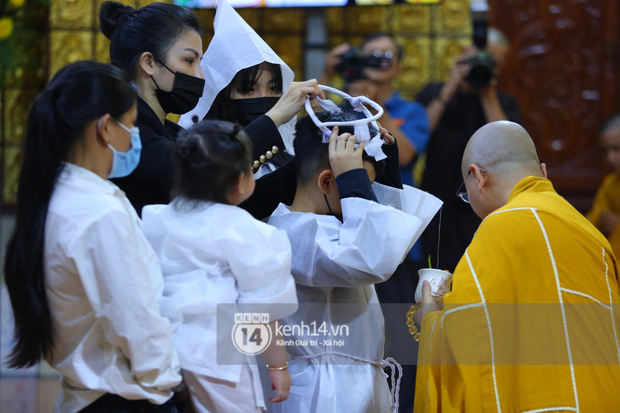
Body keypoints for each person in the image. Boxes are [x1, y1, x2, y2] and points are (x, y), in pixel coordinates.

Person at [3, 61, 183, 412]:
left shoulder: (59, 196)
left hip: (88, 395)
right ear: (105, 128)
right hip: (123, 398)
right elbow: (136, 322)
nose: (134, 138)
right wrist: (169, 385)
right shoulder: (98, 213)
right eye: (131, 125)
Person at [413, 121, 620, 412]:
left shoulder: (500, 227)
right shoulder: (591, 233)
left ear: (478, 177)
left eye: (466, 192)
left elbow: (467, 339)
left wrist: (430, 318)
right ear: (543, 173)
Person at [99, 0, 322, 217]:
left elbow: (236, 204)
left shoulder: (172, 132)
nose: (200, 76)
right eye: (189, 60)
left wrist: (312, 155)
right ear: (149, 63)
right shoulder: (123, 129)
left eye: (200, 62)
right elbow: (189, 170)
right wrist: (275, 116)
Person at [268, 110, 427, 413]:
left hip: (351, 382)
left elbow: (388, 246)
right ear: (328, 181)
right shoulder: (295, 232)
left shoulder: (334, 227)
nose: (363, 200)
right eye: (360, 189)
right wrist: (354, 179)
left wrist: (387, 176)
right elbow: (372, 258)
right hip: (322, 392)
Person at [141, 120, 298, 413]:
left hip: (159, 344)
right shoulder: (245, 231)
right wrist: (277, 365)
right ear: (241, 181)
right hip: (215, 348)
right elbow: (262, 311)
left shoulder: (157, 218)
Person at [322, 33, 431, 411]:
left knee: (401, 337)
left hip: (397, 239)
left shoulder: (410, 110)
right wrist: (330, 81)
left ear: (399, 66)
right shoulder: (338, 102)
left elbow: (406, 153)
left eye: (385, 57)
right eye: (368, 56)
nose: (376, 63)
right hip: (341, 230)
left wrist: (373, 106)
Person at [179, 0, 321, 219]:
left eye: (274, 88)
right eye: (248, 90)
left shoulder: (286, 152)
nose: (264, 98)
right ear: (222, 98)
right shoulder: (198, 153)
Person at [417, 27, 521, 273]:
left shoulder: (505, 102)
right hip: (438, 204)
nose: (485, 65)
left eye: (492, 61)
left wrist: (488, 93)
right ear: (465, 54)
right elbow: (418, 136)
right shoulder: (434, 92)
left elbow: (508, 145)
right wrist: (452, 85)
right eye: (479, 59)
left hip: (485, 207)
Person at [586, 113, 620, 256]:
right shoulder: (611, 184)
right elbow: (590, 225)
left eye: (617, 149)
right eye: (605, 151)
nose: (610, 157)